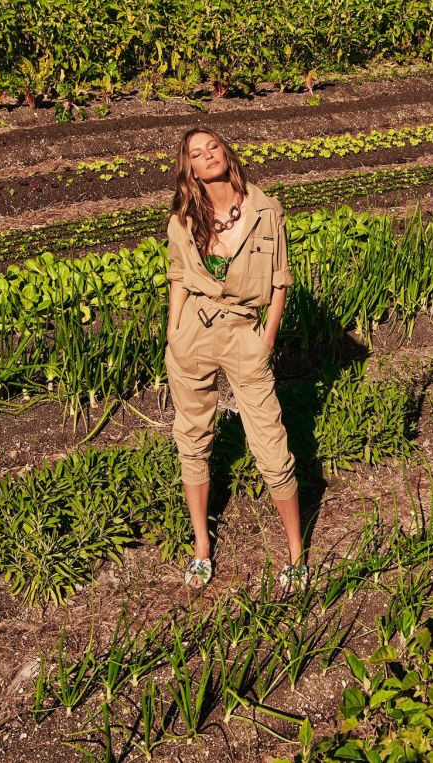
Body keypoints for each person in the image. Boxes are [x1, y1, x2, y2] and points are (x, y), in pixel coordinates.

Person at [164, 126, 306, 590]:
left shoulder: (266, 209)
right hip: (194, 333)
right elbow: (179, 277)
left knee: (271, 443)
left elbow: (281, 280)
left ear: (226, 153)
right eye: (196, 154)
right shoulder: (184, 217)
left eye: (213, 147)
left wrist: (266, 338)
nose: (208, 155)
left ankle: (296, 553)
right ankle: (202, 546)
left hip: (245, 332)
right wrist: (173, 333)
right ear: (190, 169)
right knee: (193, 437)